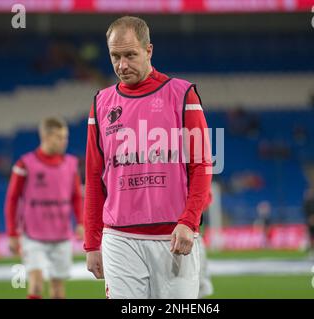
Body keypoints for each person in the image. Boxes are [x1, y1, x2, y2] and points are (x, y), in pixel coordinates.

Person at [84, 16, 212, 299]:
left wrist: (189, 221)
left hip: (173, 237)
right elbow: (94, 177)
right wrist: (92, 243)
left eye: (130, 55)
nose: (122, 65)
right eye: (115, 56)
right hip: (119, 238)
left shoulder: (182, 94)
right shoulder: (101, 103)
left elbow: (202, 165)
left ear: (149, 50)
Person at [4, 117, 84, 299]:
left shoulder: (71, 164)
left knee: (57, 289)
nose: (64, 141)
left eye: (65, 137)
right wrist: (11, 233)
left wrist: (81, 222)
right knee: (37, 284)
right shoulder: (24, 164)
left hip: (61, 235)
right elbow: (12, 199)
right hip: (33, 236)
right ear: (46, 137)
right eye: (59, 137)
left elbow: (76, 197)